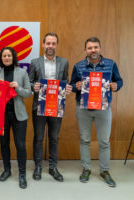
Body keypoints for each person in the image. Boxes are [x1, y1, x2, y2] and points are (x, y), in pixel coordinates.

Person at [70, 37, 123, 187]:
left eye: (95, 47)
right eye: (90, 48)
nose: (93, 50)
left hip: (103, 108)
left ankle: (104, 171)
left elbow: (119, 81)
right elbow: (71, 85)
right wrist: (76, 86)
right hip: (83, 109)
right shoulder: (78, 66)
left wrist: (116, 86)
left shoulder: (111, 64)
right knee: (85, 140)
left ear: (100, 48)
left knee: (104, 142)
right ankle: (86, 169)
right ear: (85, 50)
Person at [29, 32, 71, 182]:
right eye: (48, 43)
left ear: (57, 45)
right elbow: (29, 82)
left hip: (56, 106)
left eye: (53, 44)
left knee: (54, 138)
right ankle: (38, 167)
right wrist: (34, 86)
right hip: (38, 106)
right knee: (38, 138)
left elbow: (66, 80)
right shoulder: (35, 62)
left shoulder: (64, 62)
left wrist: (67, 88)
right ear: (43, 45)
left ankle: (53, 167)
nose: (50, 46)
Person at [0, 47, 31, 189]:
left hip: (19, 115)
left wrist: (17, 88)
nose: (7, 58)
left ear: (13, 57)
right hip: (1, 115)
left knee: (20, 145)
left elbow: (28, 93)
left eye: (9, 55)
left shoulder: (22, 73)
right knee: (4, 144)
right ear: (1, 58)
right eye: (4, 56)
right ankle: (7, 170)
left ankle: (22, 174)